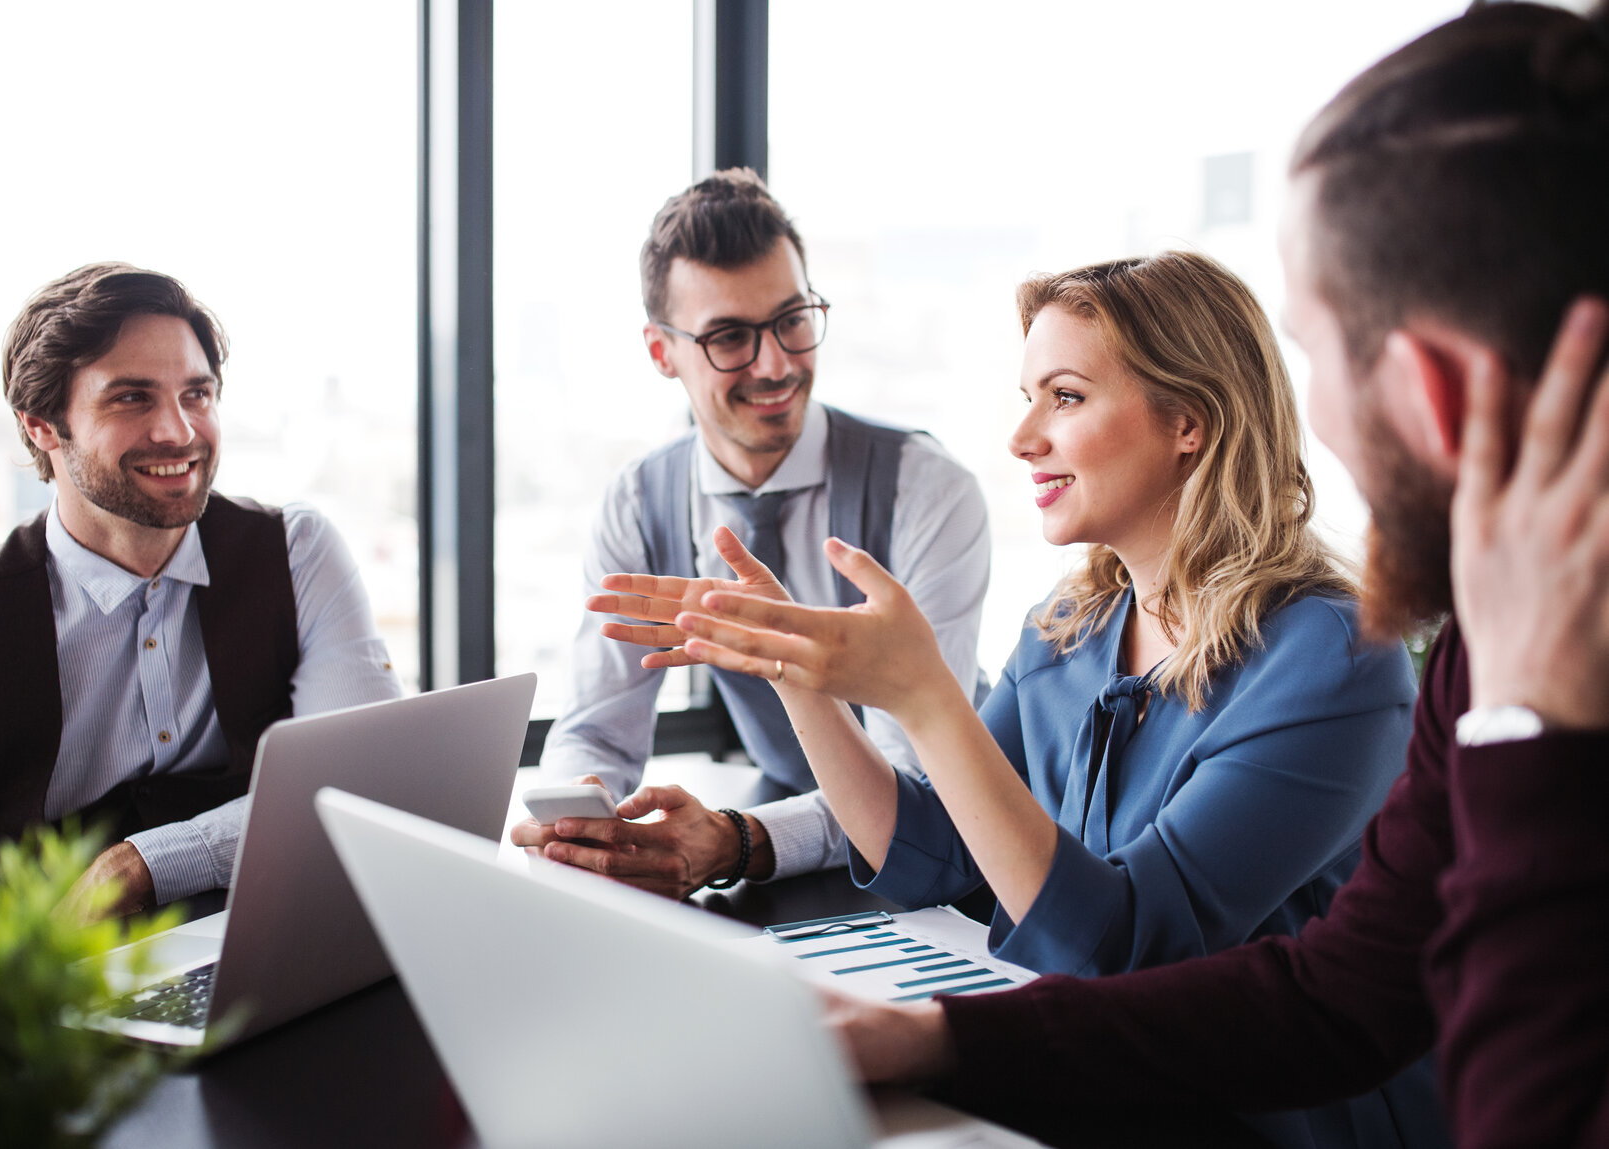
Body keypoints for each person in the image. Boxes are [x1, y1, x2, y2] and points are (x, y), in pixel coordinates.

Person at [802, 7, 1609, 1149]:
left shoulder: (1369, 652)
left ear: (1428, 388)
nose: (1317, 413)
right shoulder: (1482, 649)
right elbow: (1339, 994)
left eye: (1322, 353)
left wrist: (1535, 729)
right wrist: (942, 1040)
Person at [605, 250, 1435, 1147]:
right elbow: (930, 847)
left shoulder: (1335, 657)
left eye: (1066, 397)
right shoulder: (1071, 622)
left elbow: (1129, 948)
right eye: (1028, 396)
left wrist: (927, 698)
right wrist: (797, 671)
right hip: (1095, 1076)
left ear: (1188, 420)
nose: (1023, 436)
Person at [513, 169, 990, 898]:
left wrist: (738, 840)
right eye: (730, 337)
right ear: (660, 352)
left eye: (792, 319)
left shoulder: (929, 491)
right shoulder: (638, 504)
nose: (776, 364)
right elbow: (598, 732)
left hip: (949, 855)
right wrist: (583, 827)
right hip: (790, 837)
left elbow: (917, 786)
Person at [0, 263, 400, 920]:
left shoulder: (297, 552)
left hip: (273, 935)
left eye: (197, 394)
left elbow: (369, 779)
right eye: (133, 397)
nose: (180, 431)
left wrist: (150, 862)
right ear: (43, 424)